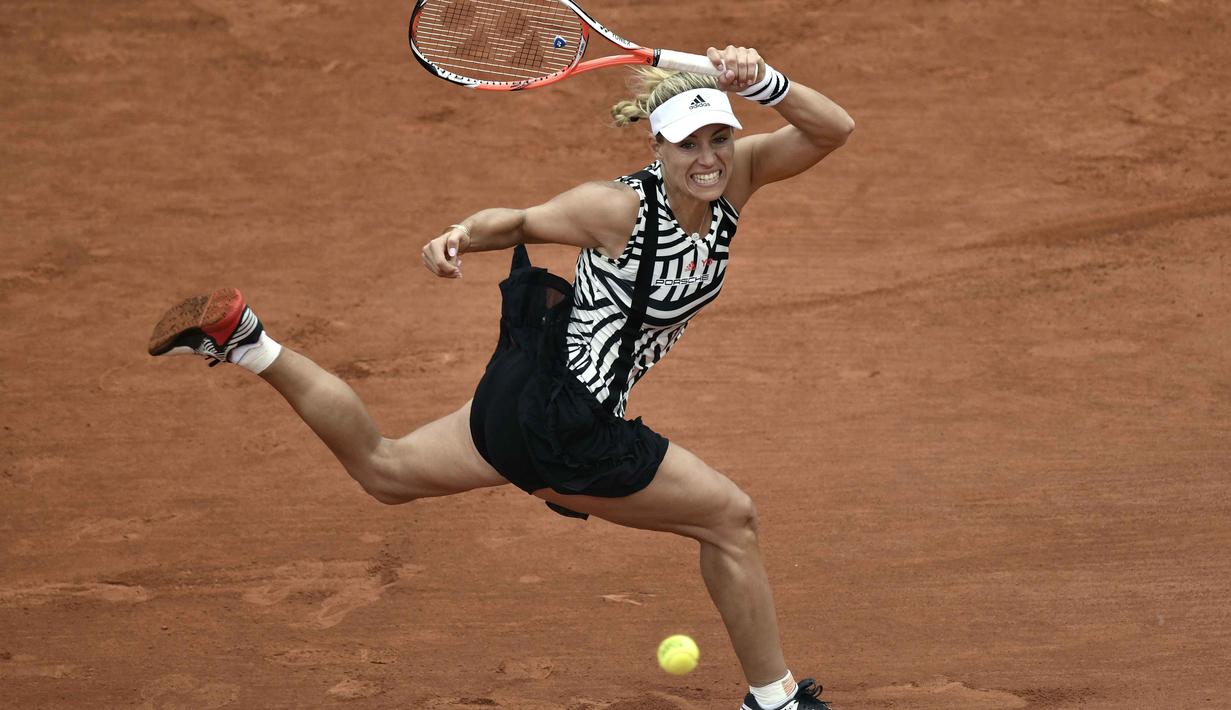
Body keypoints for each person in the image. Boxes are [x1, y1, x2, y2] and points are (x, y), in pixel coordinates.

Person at [148, 45, 853, 710]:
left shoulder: (741, 177)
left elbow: (832, 129)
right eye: (687, 144)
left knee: (385, 470)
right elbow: (517, 220)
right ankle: (776, 700)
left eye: (718, 139)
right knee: (731, 521)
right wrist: (457, 236)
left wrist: (765, 83)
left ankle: (245, 342)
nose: (708, 158)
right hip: (564, 422)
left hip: (521, 393)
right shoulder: (617, 209)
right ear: (656, 147)